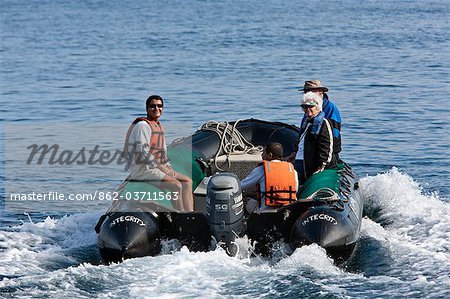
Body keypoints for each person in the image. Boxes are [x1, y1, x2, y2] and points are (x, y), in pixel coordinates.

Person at [123, 95, 194, 211]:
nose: (156, 108)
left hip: (156, 167)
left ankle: (190, 215)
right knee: (176, 185)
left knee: (187, 181)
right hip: (143, 169)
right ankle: (180, 217)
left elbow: (162, 153)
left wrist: (168, 167)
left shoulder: (158, 125)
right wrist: (162, 168)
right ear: (147, 109)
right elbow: (142, 152)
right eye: (153, 106)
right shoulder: (143, 126)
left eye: (159, 106)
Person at [292, 91, 337, 183]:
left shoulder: (324, 123)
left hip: (312, 165)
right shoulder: (307, 123)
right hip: (301, 162)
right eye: (304, 107)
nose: (307, 109)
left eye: (310, 106)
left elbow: (327, 145)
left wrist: (322, 164)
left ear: (318, 106)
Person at [241, 142, 298, 213]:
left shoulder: (261, 169)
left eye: (264, 153)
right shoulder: (292, 170)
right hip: (286, 211)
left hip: (265, 213)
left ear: (270, 155)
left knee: (247, 201)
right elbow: (295, 189)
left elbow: (241, 186)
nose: (262, 155)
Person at [299, 80, 342, 158]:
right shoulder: (308, 109)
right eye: (306, 92)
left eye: (312, 92)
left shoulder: (330, 108)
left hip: (326, 152)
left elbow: (334, 134)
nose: (309, 94)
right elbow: (302, 130)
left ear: (321, 93)